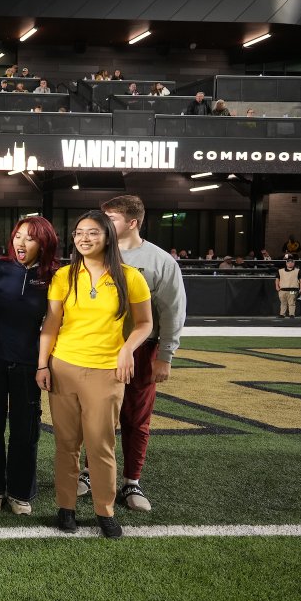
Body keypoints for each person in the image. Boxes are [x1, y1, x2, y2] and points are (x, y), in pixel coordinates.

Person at [36, 211, 152, 539]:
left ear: (108, 237)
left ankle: (105, 509)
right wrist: (43, 364)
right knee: (66, 444)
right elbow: (52, 324)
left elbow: (145, 324)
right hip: (63, 367)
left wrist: (127, 349)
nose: (84, 238)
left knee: (101, 445)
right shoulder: (63, 276)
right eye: (79, 232)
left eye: (93, 233)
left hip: (106, 372)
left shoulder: (130, 276)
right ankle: (66, 507)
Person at [99, 195, 186, 512]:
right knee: (94, 417)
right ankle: (88, 472)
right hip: (97, 349)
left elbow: (172, 311)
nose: (104, 224)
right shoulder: (94, 252)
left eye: (112, 218)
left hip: (139, 350)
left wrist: (165, 355)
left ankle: (131, 481)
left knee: (135, 419)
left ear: (133, 222)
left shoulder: (159, 261)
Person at [0, 216, 60, 515]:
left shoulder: (54, 276)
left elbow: (54, 322)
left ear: (44, 242)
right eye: (18, 236)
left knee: (26, 430)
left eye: (30, 238)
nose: (21, 243)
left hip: (29, 363)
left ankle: (21, 492)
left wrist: (43, 363)